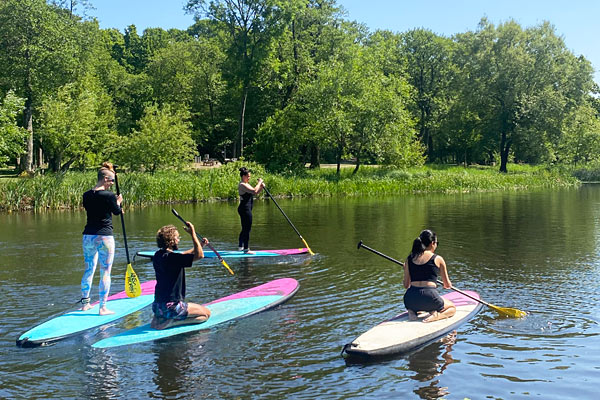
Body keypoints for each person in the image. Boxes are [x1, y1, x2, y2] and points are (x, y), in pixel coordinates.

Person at [80, 162, 123, 315]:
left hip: (88, 236)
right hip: (105, 236)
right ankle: (103, 308)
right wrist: (118, 202)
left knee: (89, 269)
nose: (112, 184)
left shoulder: (86, 195)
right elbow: (117, 212)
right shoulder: (109, 196)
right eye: (111, 181)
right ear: (105, 179)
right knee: (105, 271)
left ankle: (85, 304)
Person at [151, 222, 211, 330]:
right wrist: (193, 234)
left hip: (157, 307)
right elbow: (200, 255)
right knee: (206, 315)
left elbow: (182, 256)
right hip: (172, 307)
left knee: (201, 313)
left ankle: (159, 318)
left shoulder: (158, 255)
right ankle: (172, 322)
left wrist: (200, 245)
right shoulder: (174, 258)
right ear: (172, 241)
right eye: (178, 237)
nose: (179, 239)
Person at [403, 229, 456, 323]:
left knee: (417, 305)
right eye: (437, 243)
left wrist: (407, 269)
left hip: (410, 299)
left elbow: (406, 285)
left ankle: (412, 312)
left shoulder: (409, 258)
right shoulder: (438, 259)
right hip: (429, 297)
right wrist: (448, 284)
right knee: (452, 308)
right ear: (432, 243)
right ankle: (437, 316)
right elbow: (447, 285)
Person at [237, 167, 264, 254]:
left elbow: (256, 192)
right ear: (243, 176)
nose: (249, 178)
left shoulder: (246, 184)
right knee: (247, 229)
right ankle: (246, 249)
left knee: (245, 228)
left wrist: (262, 187)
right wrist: (259, 182)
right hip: (244, 209)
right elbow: (254, 190)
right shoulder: (242, 185)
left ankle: (240, 247)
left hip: (247, 209)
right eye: (248, 176)